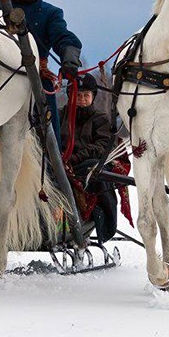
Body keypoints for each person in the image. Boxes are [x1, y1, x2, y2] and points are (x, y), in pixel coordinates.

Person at [0, 0, 83, 142]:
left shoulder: (49, 13)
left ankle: (52, 166)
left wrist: (69, 59)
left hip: (36, 79)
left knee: (48, 130)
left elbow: (64, 37)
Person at [59, 74, 116, 241]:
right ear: (70, 96)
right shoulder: (60, 116)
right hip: (61, 163)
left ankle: (104, 221)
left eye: (86, 95)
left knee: (95, 169)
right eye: (78, 95)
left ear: (93, 97)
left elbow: (102, 146)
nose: (82, 99)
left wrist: (76, 157)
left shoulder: (101, 119)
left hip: (85, 164)